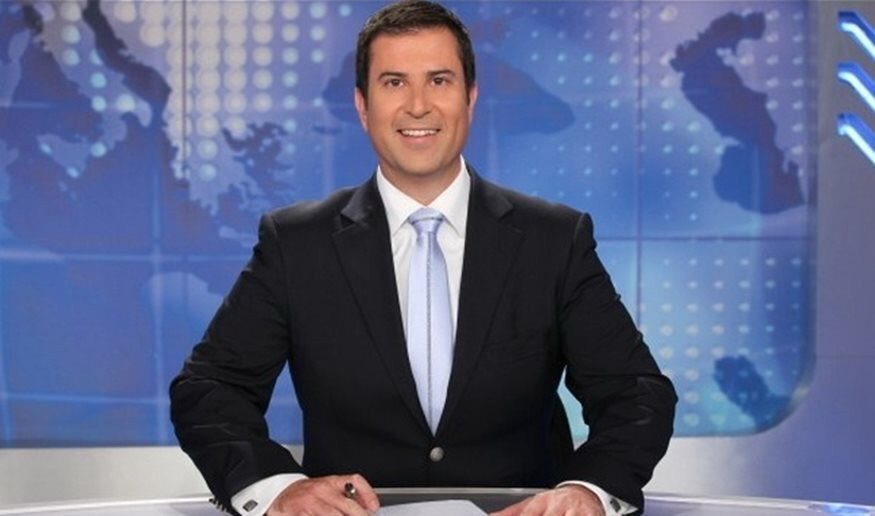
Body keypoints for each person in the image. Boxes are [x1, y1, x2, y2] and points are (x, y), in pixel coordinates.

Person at [170, 2, 677, 515]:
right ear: (362, 105)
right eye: (394, 82)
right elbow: (211, 389)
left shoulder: (554, 239)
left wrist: (588, 490)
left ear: (470, 98)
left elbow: (635, 393)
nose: (418, 106)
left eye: (439, 81)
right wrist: (279, 488)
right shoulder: (296, 244)